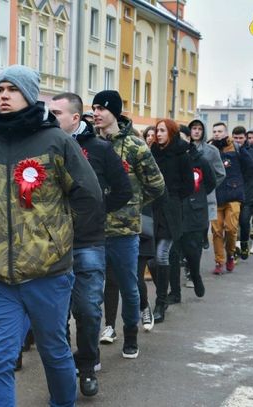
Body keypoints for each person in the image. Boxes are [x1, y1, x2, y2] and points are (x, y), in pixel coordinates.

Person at [0, 65, 103, 407]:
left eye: (11, 89)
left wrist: (56, 238)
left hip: (48, 275)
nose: (3, 95)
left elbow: (89, 196)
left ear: (29, 95)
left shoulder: (56, 141)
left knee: (54, 352)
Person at [49, 92, 132, 396]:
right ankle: (62, 373)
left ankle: (87, 366)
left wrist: (96, 210)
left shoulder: (100, 149)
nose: (50, 118)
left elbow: (123, 190)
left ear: (75, 118)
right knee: (56, 315)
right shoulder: (44, 147)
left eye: (56, 113)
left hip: (88, 243)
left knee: (87, 309)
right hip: (51, 244)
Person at [92, 90, 165, 355]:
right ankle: (102, 333)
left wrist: (133, 203)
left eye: (102, 108)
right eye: (94, 108)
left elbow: (156, 185)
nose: (96, 113)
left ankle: (131, 336)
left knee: (129, 286)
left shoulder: (135, 146)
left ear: (115, 111)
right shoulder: (88, 144)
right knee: (94, 289)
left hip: (124, 231)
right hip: (93, 230)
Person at [149, 118, 194, 321]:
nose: (158, 134)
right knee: (150, 259)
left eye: (162, 130)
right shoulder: (153, 153)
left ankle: (160, 304)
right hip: (152, 209)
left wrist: (173, 198)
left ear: (172, 133)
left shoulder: (182, 155)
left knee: (162, 254)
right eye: (157, 130)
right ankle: (165, 292)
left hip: (171, 210)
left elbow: (189, 186)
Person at [168, 126, 216, 303]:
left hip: (194, 214)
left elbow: (210, 183)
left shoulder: (200, 161)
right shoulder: (169, 159)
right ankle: (174, 292)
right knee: (172, 253)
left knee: (192, 252)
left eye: (180, 138)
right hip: (174, 212)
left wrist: (198, 198)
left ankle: (195, 275)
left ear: (189, 139)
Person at [209, 122, 253, 274]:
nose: (217, 134)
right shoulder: (210, 147)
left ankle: (230, 254)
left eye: (220, 131)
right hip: (215, 195)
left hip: (234, 195)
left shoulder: (236, 147)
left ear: (226, 132)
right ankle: (219, 262)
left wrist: (241, 184)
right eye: (214, 131)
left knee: (231, 228)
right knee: (216, 231)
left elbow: (251, 167)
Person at [188, 119, 226, 250]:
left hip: (205, 194)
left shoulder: (212, 150)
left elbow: (221, 173)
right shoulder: (184, 148)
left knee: (203, 223)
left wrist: (208, 187)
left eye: (199, 129)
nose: (197, 131)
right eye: (194, 128)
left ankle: (203, 236)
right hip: (187, 193)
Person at [231, 126, 253, 260]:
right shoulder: (229, 152)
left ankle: (244, 243)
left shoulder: (251, 153)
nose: (238, 140)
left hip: (247, 192)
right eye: (235, 138)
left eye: (240, 138)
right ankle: (234, 247)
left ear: (245, 138)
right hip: (232, 192)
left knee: (244, 221)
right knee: (232, 222)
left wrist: (250, 179)